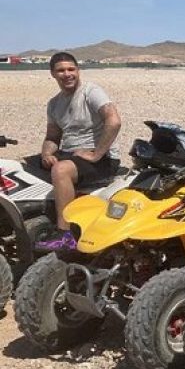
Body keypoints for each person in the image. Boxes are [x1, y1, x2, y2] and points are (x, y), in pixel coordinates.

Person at [36, 51, 122, 251]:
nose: (67, 74)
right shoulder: (54, 103)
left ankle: (65, 234)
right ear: (53, 74)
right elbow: (52, 137)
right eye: (61, 70)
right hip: (71, 154)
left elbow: (114, 120)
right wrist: (46, 154)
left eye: (71, 69)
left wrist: (96, 154)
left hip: (101, 158)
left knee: (61, 170)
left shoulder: (91, 92)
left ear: (78, 70)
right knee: (24, 168)